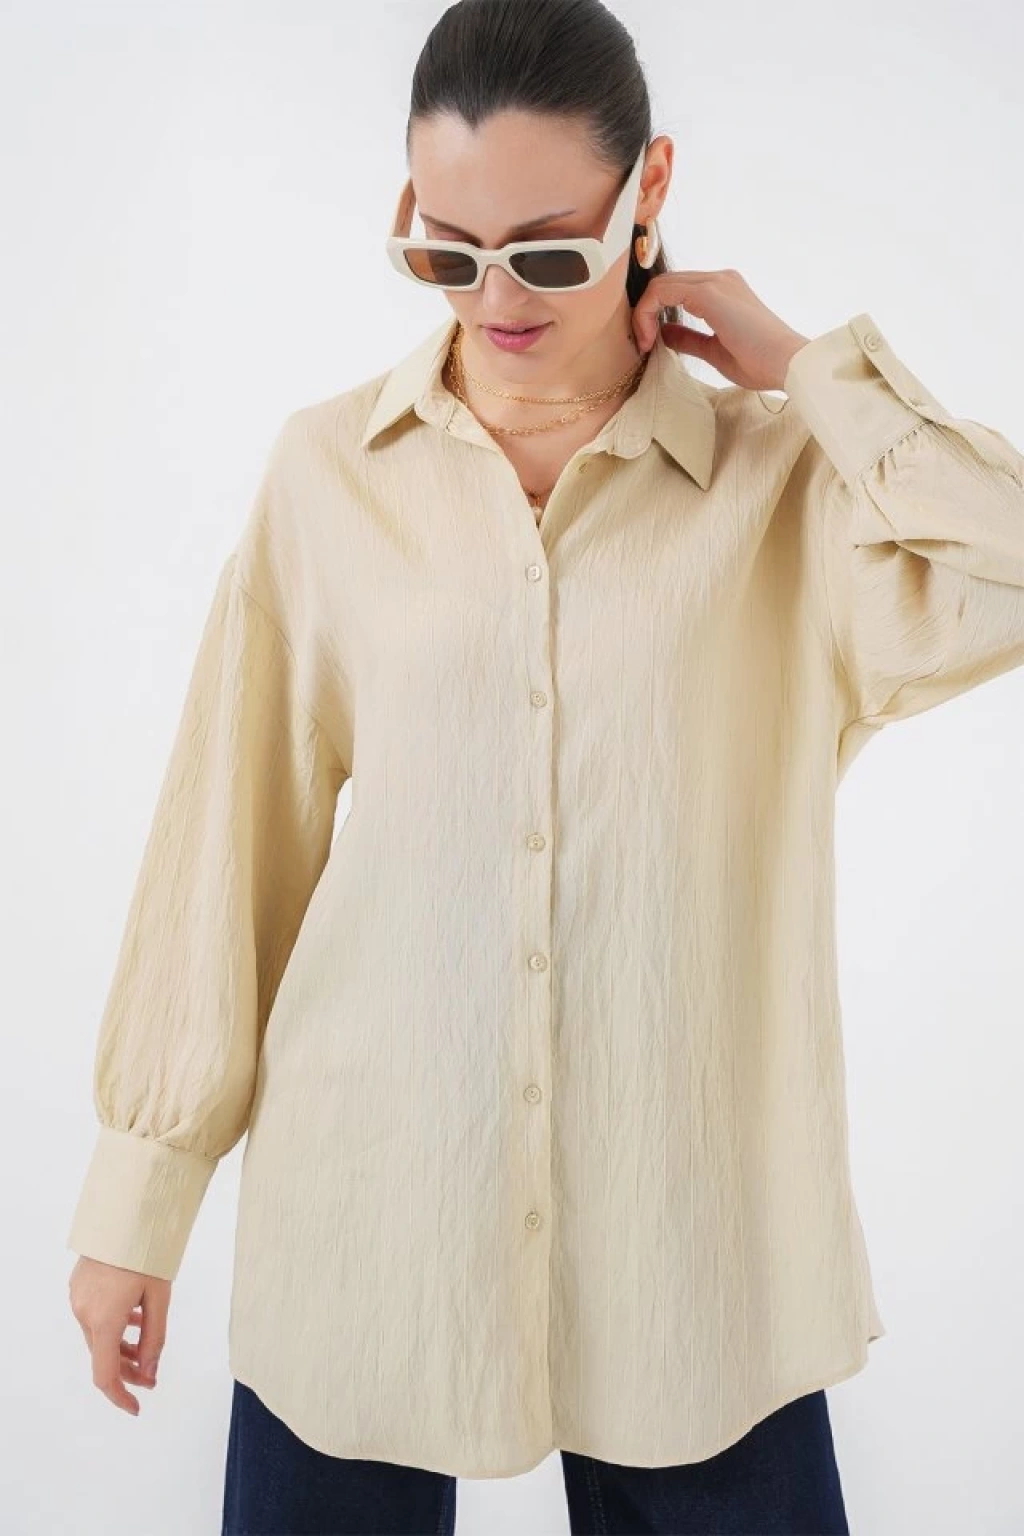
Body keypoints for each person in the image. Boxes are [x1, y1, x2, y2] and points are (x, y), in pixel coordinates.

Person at [66, 1, 1024, 1532]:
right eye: (447, 253)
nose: (497, 298)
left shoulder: (790, 490)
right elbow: (228, 849)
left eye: (549, 253)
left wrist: (807, 370)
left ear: (650, 188)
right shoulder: (328, 474)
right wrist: (140, 1195)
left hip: (696, 1258)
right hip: (365, 1222)